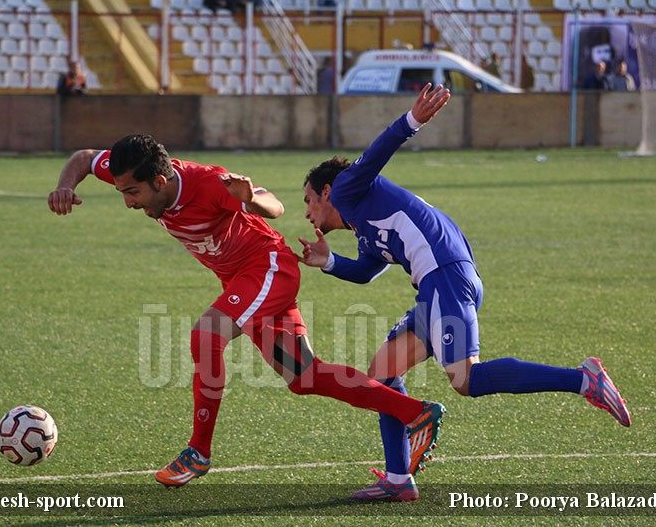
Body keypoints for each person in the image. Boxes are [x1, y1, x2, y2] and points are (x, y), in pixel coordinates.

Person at [47, 135, 445, 494]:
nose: (127, 201)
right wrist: (66, 186)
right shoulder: (137, 174)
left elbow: (275, 206)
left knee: (206, 335)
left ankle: (198, 452)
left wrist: (248, 198)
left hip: (268, 268)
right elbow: (83, 156)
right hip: (244, 283)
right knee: (304, 377)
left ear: (160, 182)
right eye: (121, 191)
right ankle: (416, 412)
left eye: (131, 192)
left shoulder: (209, 183)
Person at [297, 83, 631, 502]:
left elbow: (379, 152)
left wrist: (412, 121)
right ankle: (399, 480)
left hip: (445, 278)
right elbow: (367, 271)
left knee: (465, 379)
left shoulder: (347, 188)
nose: (308, 211)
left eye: (309, 200)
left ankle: (584, 380)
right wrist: (328, 262)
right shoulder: (364, 226)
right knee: (383, 369)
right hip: (438, 285)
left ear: (327, 192)